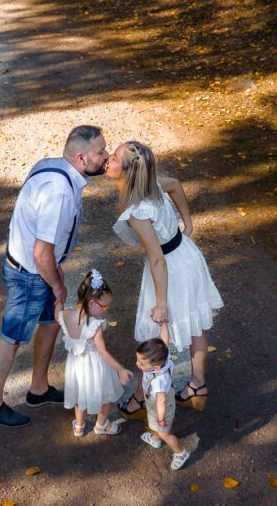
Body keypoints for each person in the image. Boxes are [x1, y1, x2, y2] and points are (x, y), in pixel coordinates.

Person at [0, 125, 109, 427]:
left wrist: (55, 269)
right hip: (29, 274)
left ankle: (38, 389)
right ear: (80, 158)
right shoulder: (60, 194)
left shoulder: (53, 166)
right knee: (12, 337)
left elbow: (43, 241)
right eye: (100, 152)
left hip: (42, 266)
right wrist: (57, 284)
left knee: (51, 323)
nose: (106, 156)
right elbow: (40, 252)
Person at [105, 141, 223, 420]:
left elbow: (157, 259)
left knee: (153, 337)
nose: (109, 159)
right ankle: (197, 385)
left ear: (129, 172)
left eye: (114, 157)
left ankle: (140, 399)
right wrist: (188, 223)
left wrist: (160, 304)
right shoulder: (151, 183)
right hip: (186, 255)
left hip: (170, 269)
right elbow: (176, 184)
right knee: (195, 327)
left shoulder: (137, 212)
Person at [55, 269, 133, 437]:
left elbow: (57, 314)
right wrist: (120, 369)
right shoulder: (94, 326)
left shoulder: (66, 315)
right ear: (91, 303)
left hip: (76, 368)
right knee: (105, 396)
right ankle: (101, 424)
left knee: (79, 396)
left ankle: (79, 426)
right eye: (103, 306)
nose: (104, 310)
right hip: (94, 367)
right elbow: (103, 352)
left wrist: (59, 301)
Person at [135, 334, 194, 469]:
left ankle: (180, 452)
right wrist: (163, 325)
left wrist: (161, 418)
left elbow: (161, 400)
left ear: (155, 367)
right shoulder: (163, 357)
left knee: (164, 432)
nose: (137, 364)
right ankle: (155, 439)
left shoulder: (159, 381)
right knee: (156, 425)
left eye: (141, 363)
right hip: (157, 403)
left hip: (161, 407)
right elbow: (165, 339)